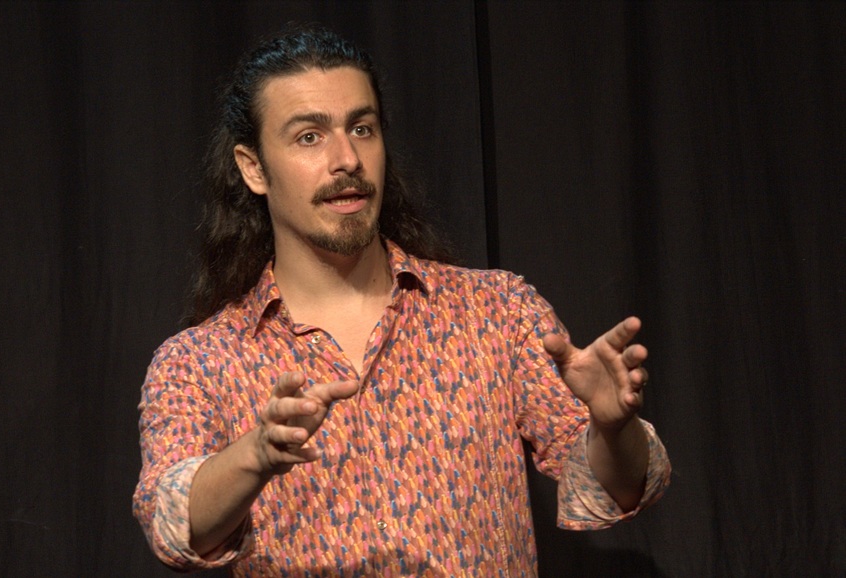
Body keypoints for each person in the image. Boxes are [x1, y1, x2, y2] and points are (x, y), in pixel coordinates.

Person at [133, 25, 670, 577]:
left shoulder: (497, 312)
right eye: (309, 137)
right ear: (253, 168)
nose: (347, 158)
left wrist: (614, 430)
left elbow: (617, 488)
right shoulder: (199, 361)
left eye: (361, 128)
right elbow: (172, 524)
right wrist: (256, 455)